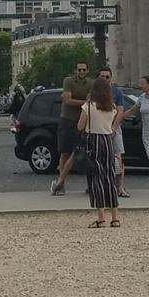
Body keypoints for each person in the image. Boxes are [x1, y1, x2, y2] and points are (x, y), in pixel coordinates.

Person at [77, 75, 122, 228]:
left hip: (93, 140)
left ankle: (101, 217)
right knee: (109, 176)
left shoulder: (88, 106)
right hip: (108, 140)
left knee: (96, 177)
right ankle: (115, 217)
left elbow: (80, 126)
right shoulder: (112, 107)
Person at [50, 61, 94, 196]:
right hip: (67, 120)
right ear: (75, 70)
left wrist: (75, 101)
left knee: (85, 153)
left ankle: (90, 185)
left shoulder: (91, 83)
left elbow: (73, 100)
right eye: (79, 70)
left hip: (83, 121)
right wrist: (84, 102)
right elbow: (68, 100)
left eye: (84, 69)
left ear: (87, 70)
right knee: (65, 152)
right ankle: (61, 185)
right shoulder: (68, 81)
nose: (82, 72)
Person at [97, 66, 129, 198]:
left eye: (107, 77)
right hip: (99, 128)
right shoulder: (95, 92)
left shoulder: (116, 92)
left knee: (118, 157)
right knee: (100, 158)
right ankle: (102, 185)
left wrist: (114, 127)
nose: (105, 79)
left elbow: (120, 111)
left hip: (114, 128)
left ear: (111, 78)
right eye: (102, 77)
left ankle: (120, 187)